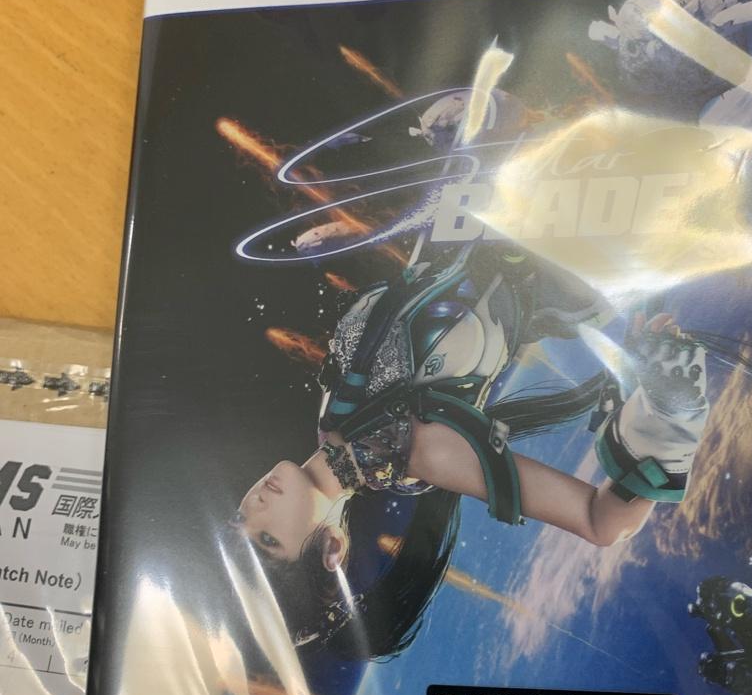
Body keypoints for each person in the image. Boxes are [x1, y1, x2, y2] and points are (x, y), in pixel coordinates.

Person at [230, 241, 710, 659]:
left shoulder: (333, 417)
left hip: (496, 207)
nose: (256, 506)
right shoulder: (421, 454)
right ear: (332, 547)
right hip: (564, 256)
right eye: (268, 539)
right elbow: (601, 522)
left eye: (240, 520)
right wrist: (671, 415)